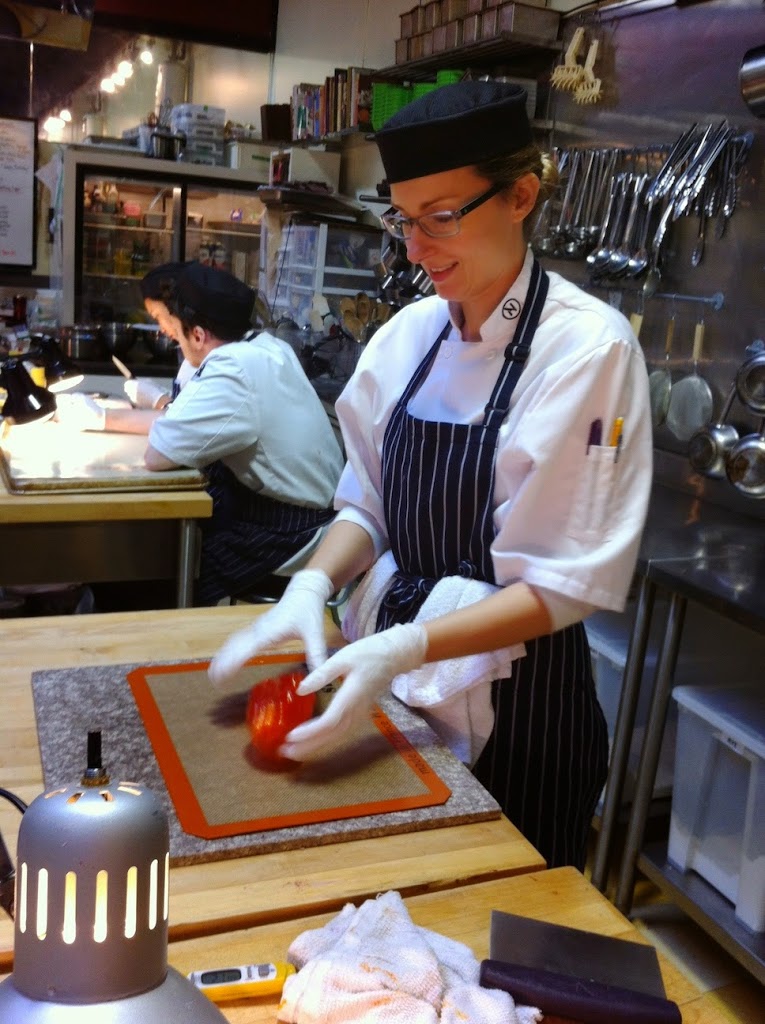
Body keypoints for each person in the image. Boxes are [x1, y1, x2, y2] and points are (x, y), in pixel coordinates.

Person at [209, 81, 653, 869]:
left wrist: (405, 646)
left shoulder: (587, 350)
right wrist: (311, 587)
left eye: (441, 217)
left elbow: (562, 585)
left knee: (493, 938)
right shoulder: (407, 335)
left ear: (520, 195)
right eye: (403, 220)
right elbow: (366, 504)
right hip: (396, 685)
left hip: (523, 712)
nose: (414, 249)